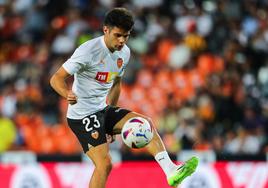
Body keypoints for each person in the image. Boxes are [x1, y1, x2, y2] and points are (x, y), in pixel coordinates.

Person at [50, 7, 198, 188]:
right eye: (118, 35)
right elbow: (56, 78)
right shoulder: (88, 51)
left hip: (102, 110)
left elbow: (116, 84)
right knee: (104, 164)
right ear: (106, 30)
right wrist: (67, 93)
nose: (121, 41)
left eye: (126, 36)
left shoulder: (124, 53)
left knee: (145, 123)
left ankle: (171, 171)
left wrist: (109, 122)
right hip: (82, 116)